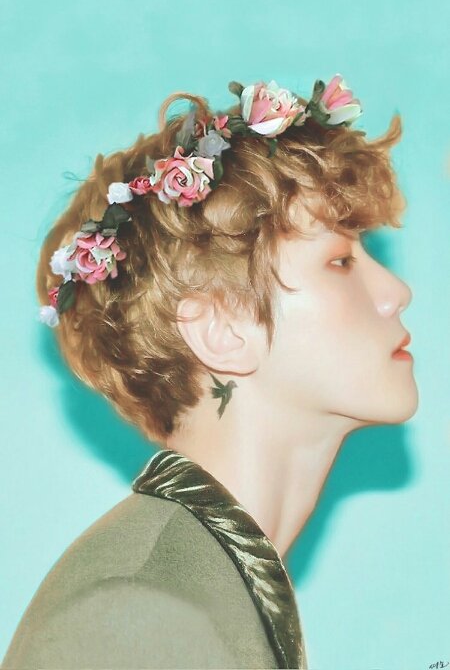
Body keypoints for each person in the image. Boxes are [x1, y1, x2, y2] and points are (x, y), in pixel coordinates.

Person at [2, 75, 418, 669]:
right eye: (340, 261)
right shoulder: (137, 613)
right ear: (221, 330)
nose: (396, 292)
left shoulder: (198, 585)